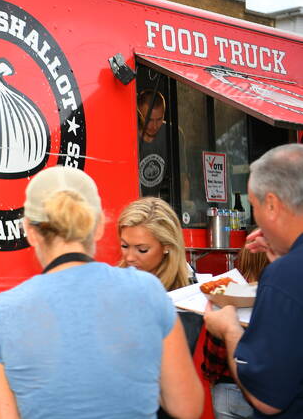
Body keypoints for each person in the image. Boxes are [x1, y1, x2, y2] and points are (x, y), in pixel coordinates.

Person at [0, 166, 203, 419]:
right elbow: (187, 408)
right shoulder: (148, 291)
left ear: (30, 231)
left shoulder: (4, 313)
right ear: (98, 226)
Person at [204, 143, 303, 418]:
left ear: (271, 204)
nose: (255, 218)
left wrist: (230, 330)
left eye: (254, 206)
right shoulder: (287, 270)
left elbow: (266, 399)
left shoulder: (284, 276)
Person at [202, 245, 269, 419]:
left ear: (243, 259)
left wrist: (210, 376)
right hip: (269, 390)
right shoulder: (280, 301)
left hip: (227, 389)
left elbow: (214, 352)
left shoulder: (224, 296)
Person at [117, 197, 189, 292]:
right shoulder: (111, 285)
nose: (130, 258)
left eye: (142, 249)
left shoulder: (193, 292)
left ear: (167, 246)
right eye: (124, 246)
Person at [137, 89, 170, 198]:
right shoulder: (129, 137)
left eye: (159, 119)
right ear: (139, 113)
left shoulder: (172, 133)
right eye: (149, 120)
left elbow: (183, 177)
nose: (154, 126)